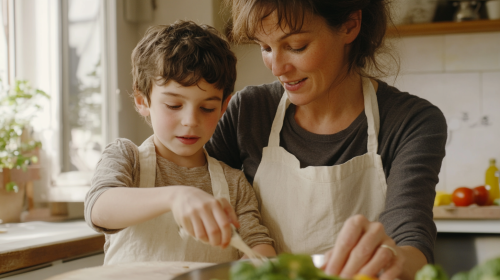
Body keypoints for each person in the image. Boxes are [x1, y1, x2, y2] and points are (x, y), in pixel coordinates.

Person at [205, 1, 447, 279]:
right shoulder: (247, 112)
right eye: (266, 48)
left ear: (350, 26)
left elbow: (410, 234)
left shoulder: (411, 121)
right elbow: (192, 184)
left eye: (296, 46)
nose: (277, 67)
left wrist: (392, 258)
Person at [84, 20, 276, 265]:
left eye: (207, 108)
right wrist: (176, 197)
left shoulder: (234, 183)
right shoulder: (127, 158)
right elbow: (99, 208)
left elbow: (256, 244)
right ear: (142, 101)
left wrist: (267, 266)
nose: (190, 121)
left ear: (223, 108)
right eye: (174, 105)